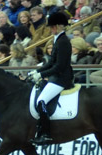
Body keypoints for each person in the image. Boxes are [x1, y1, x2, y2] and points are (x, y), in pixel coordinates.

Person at [28, 12, 73, 145]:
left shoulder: (64, 42)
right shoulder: (57, 39)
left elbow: (59, 66)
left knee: (41, 101)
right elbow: (50, 63)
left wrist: (41, 75)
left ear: (59, 26)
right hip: (55, 77)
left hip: (61, 79)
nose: (51, 29)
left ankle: (46, 134)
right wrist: (37, 70)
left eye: (53, 27)